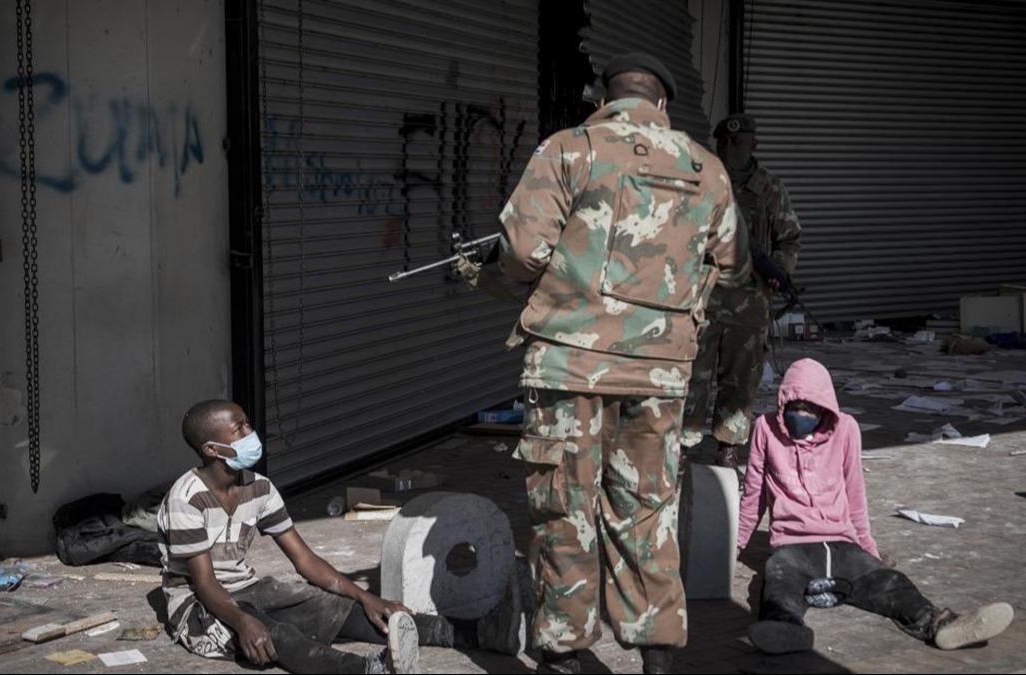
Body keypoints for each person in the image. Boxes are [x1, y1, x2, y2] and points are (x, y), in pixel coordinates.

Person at [485, 52, 748, 674]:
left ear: (605, 97)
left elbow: (522, 251)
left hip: (570, 367)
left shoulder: (570, 147)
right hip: (663, 372)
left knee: (564, 509)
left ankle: (566, 656)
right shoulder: (705, 167)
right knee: (648, 512)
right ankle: (656, 656)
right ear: (663, 104)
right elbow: (733, 271)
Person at [157, 400, 521, 674]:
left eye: (248, 424)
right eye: (239, 430)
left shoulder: (260, 488)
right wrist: (242, 622)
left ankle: (477, 634)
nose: (251, 434)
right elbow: (205, 585)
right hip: (198, 604)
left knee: (340, 609)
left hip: (247, 588)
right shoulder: (186, 499)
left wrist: (367, 598)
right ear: (212, 449)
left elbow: (306, 561)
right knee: (275, 633)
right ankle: (366, 670)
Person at [738, 358, 1013, 655]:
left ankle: (941, 624)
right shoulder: (765, 429)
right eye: (794, 408)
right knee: (778, 587)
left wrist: (869, 550)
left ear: (824, 409)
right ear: (783, 403)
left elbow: (856, 496)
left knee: (891, 583)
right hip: (792, 548)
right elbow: (752, 497)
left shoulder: (846, 429)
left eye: (809, 409)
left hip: (843, 544)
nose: (801, 415)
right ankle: (787, 631)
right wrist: (733, 548)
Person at [682, 113, 802, 468]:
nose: (733, 148)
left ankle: (728, 445)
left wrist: (777, 270)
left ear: (754, 144)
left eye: (740, 141)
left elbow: (791, 239)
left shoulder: (770, 189)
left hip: (749, 303)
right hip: (702, 297)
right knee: (693, 374)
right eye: (726, 142)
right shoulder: (700, 184)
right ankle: (685, 441)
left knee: (740, 378)